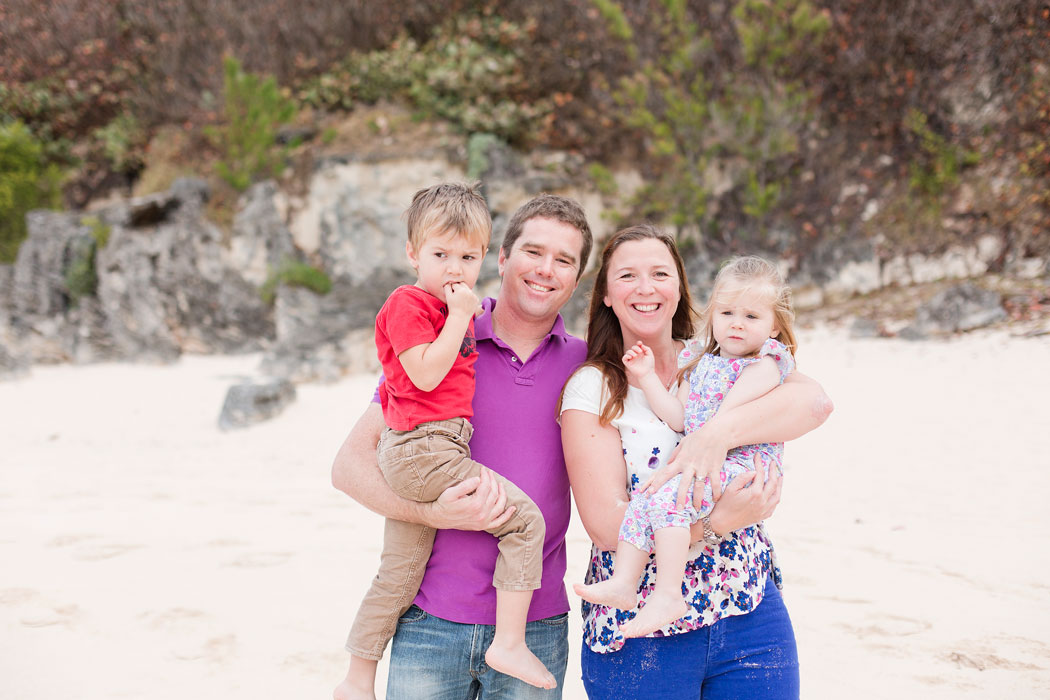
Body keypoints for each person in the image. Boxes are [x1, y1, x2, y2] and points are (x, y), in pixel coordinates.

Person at [332, 193, 595, 700]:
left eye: (564, 260)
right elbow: (348, 467)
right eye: (533, 252)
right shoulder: (442, 340)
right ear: (501, 258)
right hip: (431, 620)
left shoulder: (586, 365)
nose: (545, 270)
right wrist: (433, 514)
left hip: (537, 625)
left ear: (577, 278)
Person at [560, 224, 832, 698]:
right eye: (628, 276)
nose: (646, 288)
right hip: (644, 629)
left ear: (681, 286)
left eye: (660, 273)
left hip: (746, 604)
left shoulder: (720, 354)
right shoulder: (594, 386)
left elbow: (814, 404)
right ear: (605, 293)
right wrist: (717, 523)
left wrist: (717, 435)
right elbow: (607, 528)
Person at [573, 255, 798, 639]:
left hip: (738, 464)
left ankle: (667, 593)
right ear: (712, 314)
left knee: (668, 502)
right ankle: (626, 583)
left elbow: (723, 422)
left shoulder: (766, 362)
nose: (737, 324)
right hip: (705, 458)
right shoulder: (700, 361)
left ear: (775, 325)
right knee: (647, 498)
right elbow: (679, 418)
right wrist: (646, 378)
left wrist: (705, 438)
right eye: (727, 312)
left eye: (752, 316)